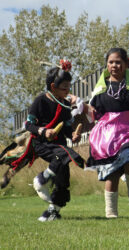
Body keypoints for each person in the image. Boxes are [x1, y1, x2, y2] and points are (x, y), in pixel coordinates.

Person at [87, 48, 129, 218]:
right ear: (106, 64)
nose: (114, 65)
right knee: (112, 173)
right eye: (111, 62)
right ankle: (111, 212)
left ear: (125, 64)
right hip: (108, 135)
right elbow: (92, 115)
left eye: (118, 62)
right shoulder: (100, 87)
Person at [24, 61, 85, 221]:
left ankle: (52, 212)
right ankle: (41, 179)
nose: (68, 91)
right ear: (53, 86)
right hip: (42, 143)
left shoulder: (65, 105)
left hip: (60, 146)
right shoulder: (40, 101)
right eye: (65, 87)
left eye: (69, 87)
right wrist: (43, 131)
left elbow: (65, 128)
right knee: (63, 156)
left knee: (63, 178)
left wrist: (73, 135)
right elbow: (28, 125)